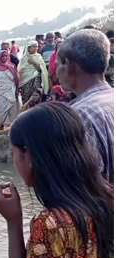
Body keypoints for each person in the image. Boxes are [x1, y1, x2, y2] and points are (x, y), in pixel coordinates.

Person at [0, 102, 114, 258]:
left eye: (14, 153)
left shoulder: (51, 225)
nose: (14, 160)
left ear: (30, 157)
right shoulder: (106, 198)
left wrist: (13, 222)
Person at [56, 29, 114, 183]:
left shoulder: (79, 115)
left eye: (57, 65)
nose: (56, 72)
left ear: (68, 65)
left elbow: (84, 190)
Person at [0, 50, 20, 130]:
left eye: (6, 56)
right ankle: (1, 125)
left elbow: (16, 80)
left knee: (13, 107)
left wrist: (17, 90)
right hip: (0, 91)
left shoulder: (12, 67)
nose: (4, 57)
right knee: (1, 108)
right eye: (3, 56)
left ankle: (13, 125)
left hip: (11, 89)